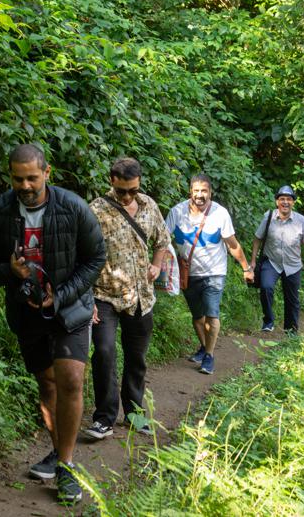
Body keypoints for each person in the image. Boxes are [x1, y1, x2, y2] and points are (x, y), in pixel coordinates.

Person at [0, 144, 106, 504]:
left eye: (32, 177)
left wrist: (61, 295)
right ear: (10, 176)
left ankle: (67, 466)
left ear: (47, 173)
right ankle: (59, 452)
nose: (25, 186)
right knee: (47, 384)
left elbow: (96, 258)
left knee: (71, 379)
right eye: (18, 179)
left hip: (70, 309)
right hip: (26, 312)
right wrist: (9, 272)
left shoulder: (73, 207)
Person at [84, 157, 170, 441]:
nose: (127, 196)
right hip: (104, 295)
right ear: (112, 181)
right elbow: (82, 255)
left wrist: (156, 265)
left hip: (141, 296)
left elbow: (162, 240)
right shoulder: (96, 210)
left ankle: (134, 414)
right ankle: (104, 418)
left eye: (133, 190)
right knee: (104, 352)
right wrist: (87, 298)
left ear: (139, 183)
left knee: (137, 357)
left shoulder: (149, 206)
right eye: (122, 191)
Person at [165, 174, 254, 375]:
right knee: (197, 316)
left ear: (210, 193)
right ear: (190, 191)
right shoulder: (177, 212)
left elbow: (232, 245)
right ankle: (204, 348)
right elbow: (162, 239)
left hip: (214, 272)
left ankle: (209, 356)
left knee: (211, 314)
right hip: (188, 273)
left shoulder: (220, 214)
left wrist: (246, 268)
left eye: (204, 191)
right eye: (196, 190)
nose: (200, 195)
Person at [250, 185, 304, 334]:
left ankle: (291, 332)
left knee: (292, 299)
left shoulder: (302, 221)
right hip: (271, 262)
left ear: (293, 202)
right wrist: (253, 261)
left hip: (293, 265)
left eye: (289, 199)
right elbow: (257, 239)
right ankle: (268, 321)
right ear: (277, 202)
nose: (285, 202)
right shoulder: (268, 217)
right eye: (282, 199)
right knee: (266, 287)